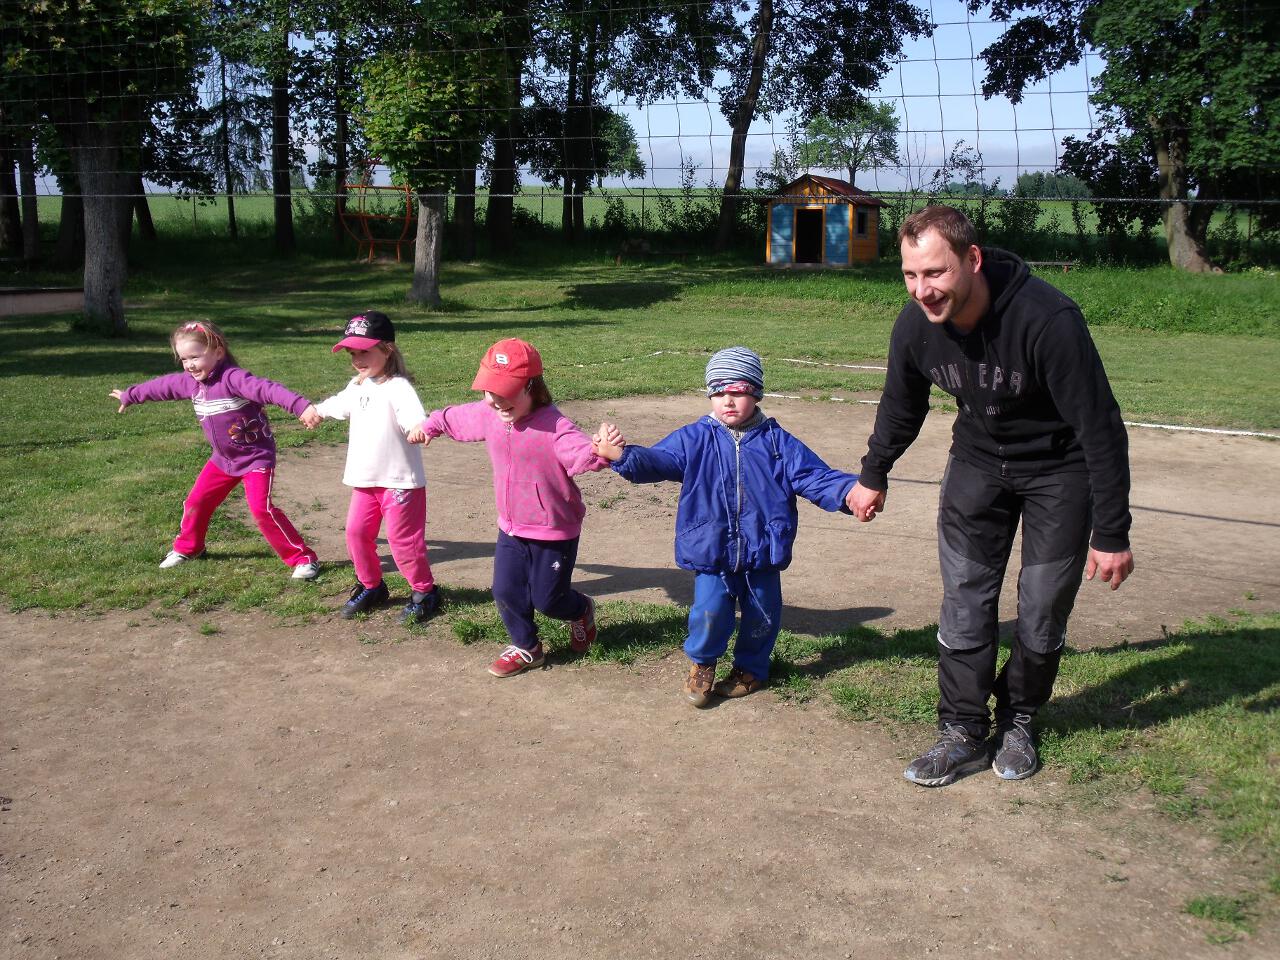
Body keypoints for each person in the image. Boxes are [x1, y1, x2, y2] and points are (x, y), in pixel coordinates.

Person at [847, 205, 1135, 787]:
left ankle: (1020, 718)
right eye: (910, 275)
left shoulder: (1047, 319)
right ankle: (961, 730)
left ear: (972, 259)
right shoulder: (915, 326)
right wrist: (874, 473)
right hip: (978, 463)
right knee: (965, 598)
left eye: (936, 273)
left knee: (1043, 604)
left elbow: (1100, 428)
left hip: (1059, 470)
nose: (923, 291)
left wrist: (1111, 531)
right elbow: (901, 405)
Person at [594, 347, 861, 708]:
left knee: (763, 615)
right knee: (709, 612)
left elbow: (815, 477)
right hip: (711, 548)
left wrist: (850, 493)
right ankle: (703, 664)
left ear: (756, 393)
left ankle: (750, 669)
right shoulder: (695, 438)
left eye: (738, 391)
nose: (728, 401)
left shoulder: (778, 442)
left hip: (763, 549)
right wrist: (622, 455)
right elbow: (659, 460)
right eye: (718, 392)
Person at [407, 338, 606, 677]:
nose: (497, 400)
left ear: (532, 386)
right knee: (504, 590)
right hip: (511, 526)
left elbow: (579, 452)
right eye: (490, 391)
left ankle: (580, 610)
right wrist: (431, 425)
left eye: (507, 391)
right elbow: (456, 417)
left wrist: (598, 451)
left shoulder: (554, 426)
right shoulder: (490, 415)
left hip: (553, 529)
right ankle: (527, 646)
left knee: (549, 600)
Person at [109, 320, 321, 579]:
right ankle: (190, 548)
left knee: (260, 509)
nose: (189, 365)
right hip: (223, 460)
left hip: (255, 458)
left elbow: (268, 390)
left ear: (218, 352)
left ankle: (303, 558)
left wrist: (300, 407)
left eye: (195, 357)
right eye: (184, 359)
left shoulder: (234, 379)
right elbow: (162, 387)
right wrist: (131, 395)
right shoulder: (190, 383)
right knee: (196, 502)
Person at [311, 311, 439, 625]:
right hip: (365, 481)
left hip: (399, 482)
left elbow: (413, 416)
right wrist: (317, 411)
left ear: (387, 349)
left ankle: (424, 592)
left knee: (403, 541)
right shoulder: (358, 385)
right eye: (352, 353)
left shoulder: (398, 387)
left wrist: (417, 428)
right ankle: (372, 586)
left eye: (364, 352)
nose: (357, 359)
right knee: (356, 534)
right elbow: (339, 403)